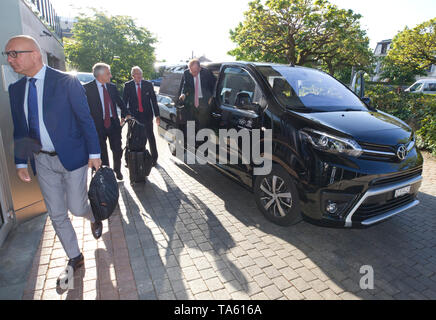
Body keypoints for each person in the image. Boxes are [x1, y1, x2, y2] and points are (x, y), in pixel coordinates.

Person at [4, 35, 103, 285]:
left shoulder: (65, 82)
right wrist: (20, 162)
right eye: (7, 54)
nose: (9, 59)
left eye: (14, 53)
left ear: (35, 54)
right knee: (56, 213)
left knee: (77, 207)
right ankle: (75, 257)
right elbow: (20, 130)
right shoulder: (16, 90)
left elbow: (85, 119)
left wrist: (95, 154)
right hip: (42, 161)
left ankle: (93, 215)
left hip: (73, 157)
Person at [84, 63, 130, 180]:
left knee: (117, 149)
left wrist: (126, 114)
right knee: (102, 151)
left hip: (114, 124)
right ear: (100, 75)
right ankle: (107, 174)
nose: (111, 76)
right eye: (108, 73)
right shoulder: (87, 89)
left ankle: (117, 170)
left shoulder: (112, 87)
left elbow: (120, 102)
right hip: (98, 126)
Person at [122, 66, 160, 166]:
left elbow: (154, 101)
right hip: (133, 116)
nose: (139, 76)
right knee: (131, 137)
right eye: (136, 74)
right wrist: (123, 116)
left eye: (140, 74)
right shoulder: (128, 85)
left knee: (150, 136)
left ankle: (154, 158)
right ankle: (128, 159)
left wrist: (157, 115)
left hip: (147, 115)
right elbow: (124, 102)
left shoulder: (148, 84)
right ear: (132, 75)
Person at [179, 59, 216, 130]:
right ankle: (191, 139)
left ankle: (201, 139)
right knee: (190, 124)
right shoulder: (186, 73)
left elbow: (214, 85)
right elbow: (185, 85)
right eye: (191, 71)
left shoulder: (207, 73)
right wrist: (183, 93)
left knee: (202, 124)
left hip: (204, 101)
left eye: (195, 71)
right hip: (191, 102)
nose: (193, 74)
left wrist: (212, 96)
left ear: (200, 68)